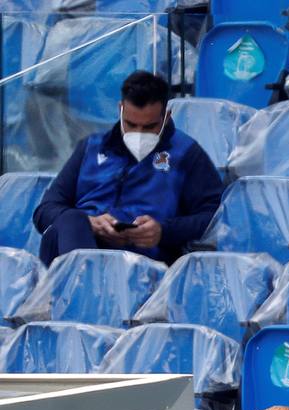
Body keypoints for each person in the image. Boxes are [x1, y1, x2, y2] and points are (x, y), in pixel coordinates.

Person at [33, 70, 223, 267]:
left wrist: (164, 231)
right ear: (120, 109)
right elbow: (45, 211)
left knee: (72, 223)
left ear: (166, 117)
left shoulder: (186, 154)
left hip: (144, 261)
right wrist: (91, 223)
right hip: (80, 245)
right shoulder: (91, 148)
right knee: (70, 220)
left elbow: (214, 217)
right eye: (131, 124)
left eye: (149, 127)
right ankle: (85, 288)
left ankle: (83, 290)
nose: (138, 134)